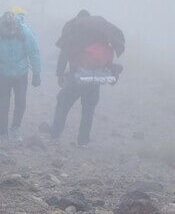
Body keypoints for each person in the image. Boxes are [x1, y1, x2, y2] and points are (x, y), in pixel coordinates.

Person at [50, 9, 125, 147]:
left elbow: (64, 54)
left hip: (77, 75)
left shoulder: (75, 32)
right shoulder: (101, 35)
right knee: (88, 110)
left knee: (63, 103)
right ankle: (83, 141)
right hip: (95, 78)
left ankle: (55, 134)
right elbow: (106, 61)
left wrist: (60, 74)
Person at [0, 8, 42, 144]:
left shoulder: (24, 32)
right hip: (2, 73)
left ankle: (15, 128)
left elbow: (34, 52)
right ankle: (3, 133)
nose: (10, 34)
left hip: (21, 73)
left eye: (12, 33)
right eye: (7, 33)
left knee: (21, 102)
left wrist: (36, 73)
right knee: (4, 103)